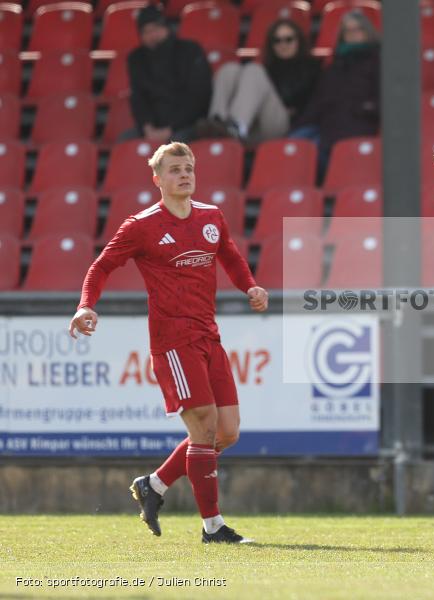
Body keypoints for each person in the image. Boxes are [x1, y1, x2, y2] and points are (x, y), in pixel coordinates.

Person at [69, 142, 269, 544]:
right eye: (175, 169)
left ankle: (155, 485)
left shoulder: (211, 217)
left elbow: (228, 254)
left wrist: (250, 286)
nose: (185, 174)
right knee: (205, 426)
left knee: (228, 432)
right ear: (157, 179)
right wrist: (85, 305)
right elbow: (102, 265)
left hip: (208, 335)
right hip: (173, 341)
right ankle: (213, 527)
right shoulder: (141, 225)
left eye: (189, 167)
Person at [291, 9, 380, 181]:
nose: (353, 34)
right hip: (327, 127)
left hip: (360, 124)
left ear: (367, 31)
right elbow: (317, 102)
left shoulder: (379, 60)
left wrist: (365, 108)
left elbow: (384, 99)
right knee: (295, 143)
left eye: (358, 29)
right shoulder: (333, 65)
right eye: (348, 30)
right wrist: (297, 127)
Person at [202, 19, 320, 143]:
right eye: (277, 40)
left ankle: (234, 127)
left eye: (288, 39)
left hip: (285, 126)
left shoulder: (312, 67)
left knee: (254, 70)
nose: (283, 44)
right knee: (229, 69)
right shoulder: (268, 66)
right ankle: (216, 123)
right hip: (254, 125)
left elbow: (310, 104)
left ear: (298, 41)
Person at [122, 4, 212, 143]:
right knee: (124, 142)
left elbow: (198, 95)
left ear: (166, 28)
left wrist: (171, 128)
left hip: (187, 123)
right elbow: (138, 98)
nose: (152, 35)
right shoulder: (136, 59)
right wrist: (147, 127)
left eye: (156, 29)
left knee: (175, 146)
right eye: (146, 31)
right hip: (153, 126)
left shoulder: (189, 50)